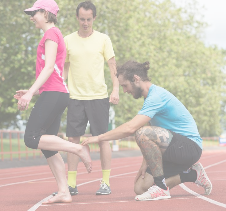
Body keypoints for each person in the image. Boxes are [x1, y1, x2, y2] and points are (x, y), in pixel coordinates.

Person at [81, 60, 212, 201]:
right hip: (171, 149)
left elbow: (131, 128)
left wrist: (99, 138)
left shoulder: (156, 96)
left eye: (125, 85)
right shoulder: (148, 99)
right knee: (140, 188)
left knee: (141, 132)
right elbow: (153, 132)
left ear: (136, 79)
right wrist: (146, 162)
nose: (125, 91)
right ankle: (192, 174)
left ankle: (162, 188)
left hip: (189, 147)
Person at [14, 0, 92, 204]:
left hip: (55, 93)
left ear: (46, 13)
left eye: (35, 13)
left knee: (31, 138)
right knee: (48, 146)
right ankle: (64, 192)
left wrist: (30, 93)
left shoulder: (51, 34)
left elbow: (49, 67)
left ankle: (76, 148)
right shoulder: (53, 34)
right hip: (54, 92)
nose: (32, 17)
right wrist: (35, 89)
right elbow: (53, 71)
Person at [62, 0, 119, 196]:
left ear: (94, 18)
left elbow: (113, 67)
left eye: (89, 19)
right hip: (75, 96)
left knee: (103, 139)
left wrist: (116, 89)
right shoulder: (68, 40)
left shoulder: (103, 39)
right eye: (82, 19)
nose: (85, 23)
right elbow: (65, 68)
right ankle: (71, 184)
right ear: (77, 18)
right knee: (72, 140)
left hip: (98, 96)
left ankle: (105, 182)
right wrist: (61, 88)